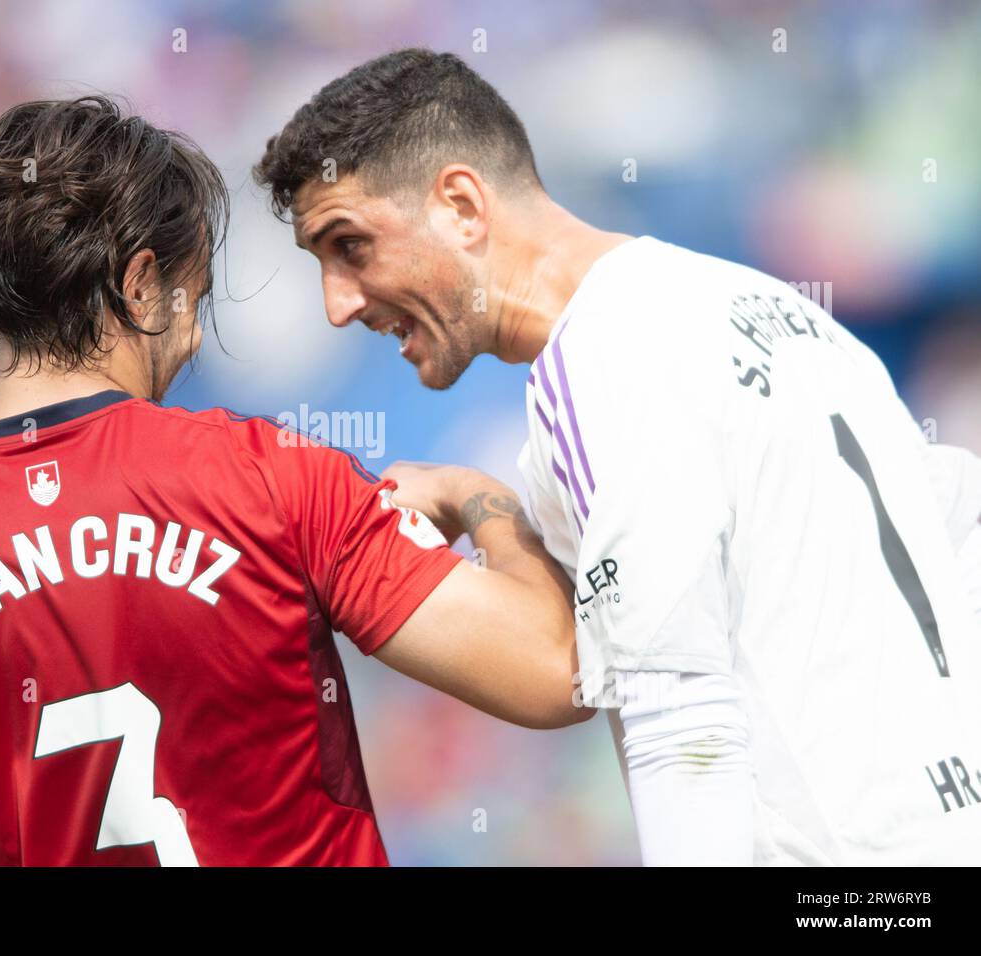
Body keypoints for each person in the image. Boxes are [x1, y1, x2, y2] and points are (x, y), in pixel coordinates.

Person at [0, 96, 588, 867]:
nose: (188, 346)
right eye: (195, 302)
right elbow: (555, 671)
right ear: (142, 284)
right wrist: (476, 500)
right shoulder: (269, 480)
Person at [254, 48, 981, 865]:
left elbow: (678, 721)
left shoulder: (596, 360)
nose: (337, 304)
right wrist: (477, 499)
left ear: (461, 205)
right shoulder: (776, 309)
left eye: (349, 245)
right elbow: (958, 535)